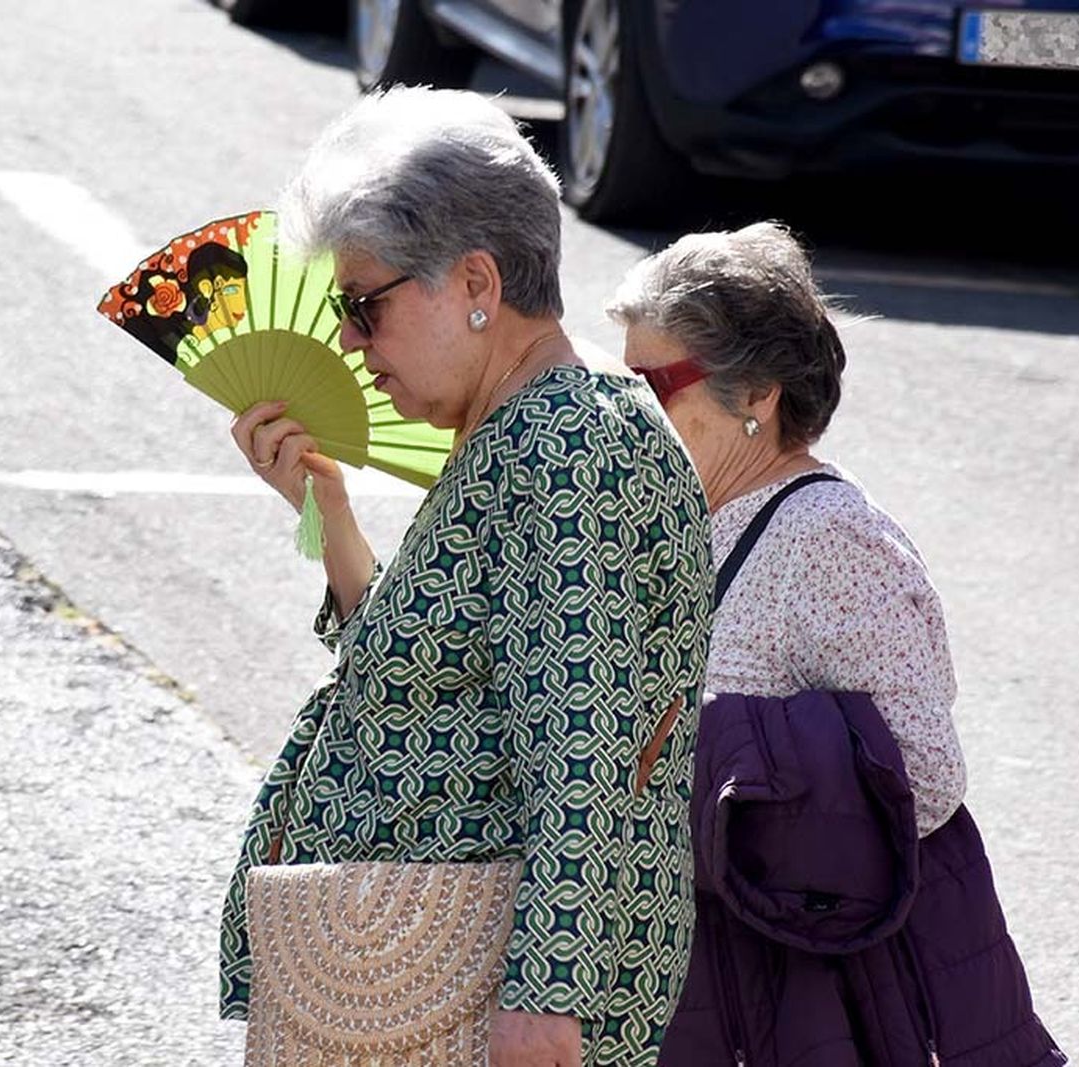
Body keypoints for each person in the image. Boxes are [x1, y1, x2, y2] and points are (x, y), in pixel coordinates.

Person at [217, 87, 713, 1067]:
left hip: (473, 991)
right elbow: (414, 672)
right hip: (412, 971)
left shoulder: (566, 448)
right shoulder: (522, 425)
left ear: (475, 281)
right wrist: (328, 514)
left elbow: (584, 747)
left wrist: (544, 1004)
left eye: (364, 306)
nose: (351, 346)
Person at [609, 223, 1063, 1066]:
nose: (628, 413)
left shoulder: (831, 538)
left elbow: (924, 776)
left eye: (652, 384)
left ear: (756, 396)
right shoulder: (688, 519)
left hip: (815, 993)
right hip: (719, 978)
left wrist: (708, 764)